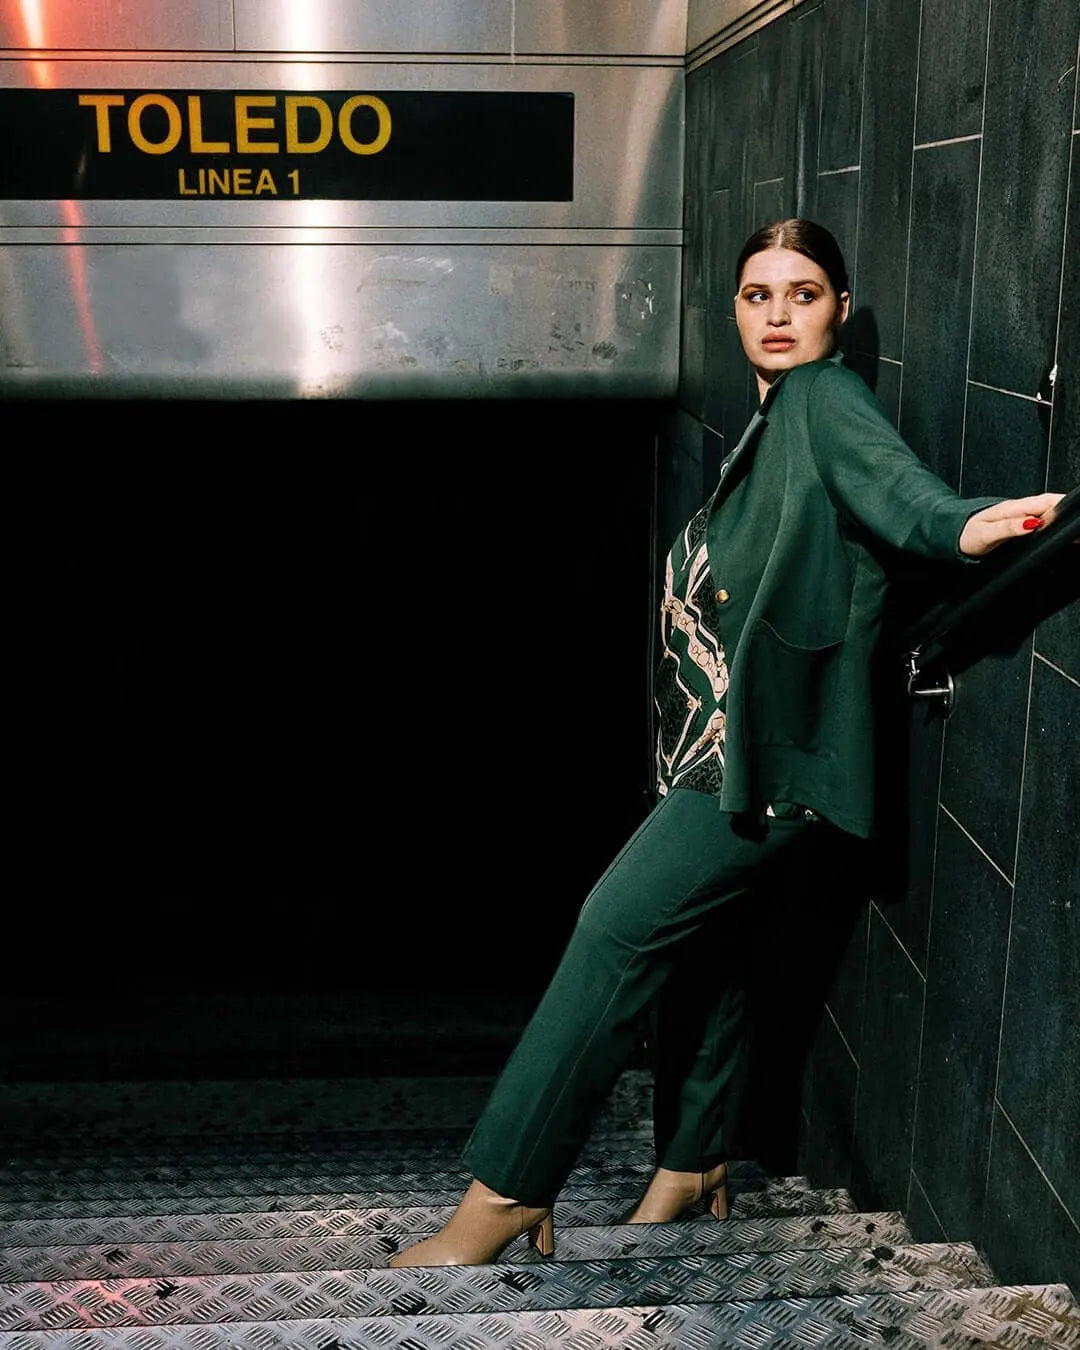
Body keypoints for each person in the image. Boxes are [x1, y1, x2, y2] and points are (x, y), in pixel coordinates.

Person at [387, 218, 1063, 1269]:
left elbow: (903, 494)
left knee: (613, 930)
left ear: (840, 310)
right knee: (714, 948)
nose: (779, 314)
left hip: (761, 766)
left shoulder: (823, 400)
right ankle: (693, 1163)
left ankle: (506, 1194)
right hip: (713, 755)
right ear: (736, 311)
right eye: (758, 295)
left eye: (804, 294)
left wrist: (972, 525)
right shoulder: (771, 419)